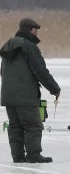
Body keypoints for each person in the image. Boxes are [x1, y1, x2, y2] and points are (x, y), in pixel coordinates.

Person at [0, 18, 61, 163]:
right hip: (25, 95)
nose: (37, 34)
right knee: (33, 125)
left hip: (8, 95)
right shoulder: (29, 47)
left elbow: (3, 71)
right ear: (28, 30)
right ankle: (33, 155)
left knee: (15, 126)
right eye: (35, 31)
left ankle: (18, 156)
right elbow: (40, 71)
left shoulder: (8, 46)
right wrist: (54, 89)